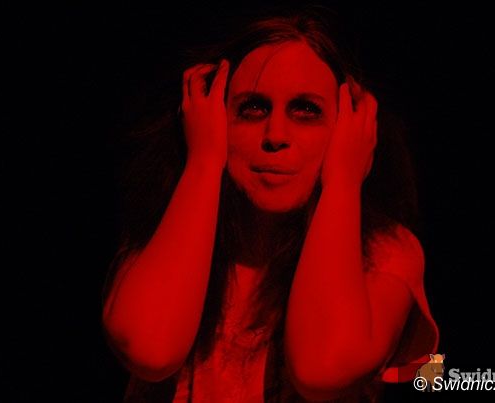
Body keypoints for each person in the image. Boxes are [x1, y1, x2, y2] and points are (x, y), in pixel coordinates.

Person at [102, 7, 439, 402]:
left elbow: (321, 371)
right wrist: (203, 162)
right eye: (253, 108)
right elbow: (150, 350)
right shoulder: (164, 227)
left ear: (351, 127)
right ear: (212, 118)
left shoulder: (386, 253)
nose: (276, 134)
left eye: (306, 110)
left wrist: (343, 183)